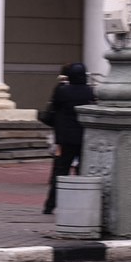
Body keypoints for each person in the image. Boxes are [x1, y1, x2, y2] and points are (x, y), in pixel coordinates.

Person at [41, 62, 96, 214]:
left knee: (60, 171)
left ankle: (50, 205)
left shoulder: (62, 91)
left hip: (64, 139)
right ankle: (82, 204)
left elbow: (53, 110)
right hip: (85, 138)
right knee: (83, 171)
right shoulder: (90, 92)